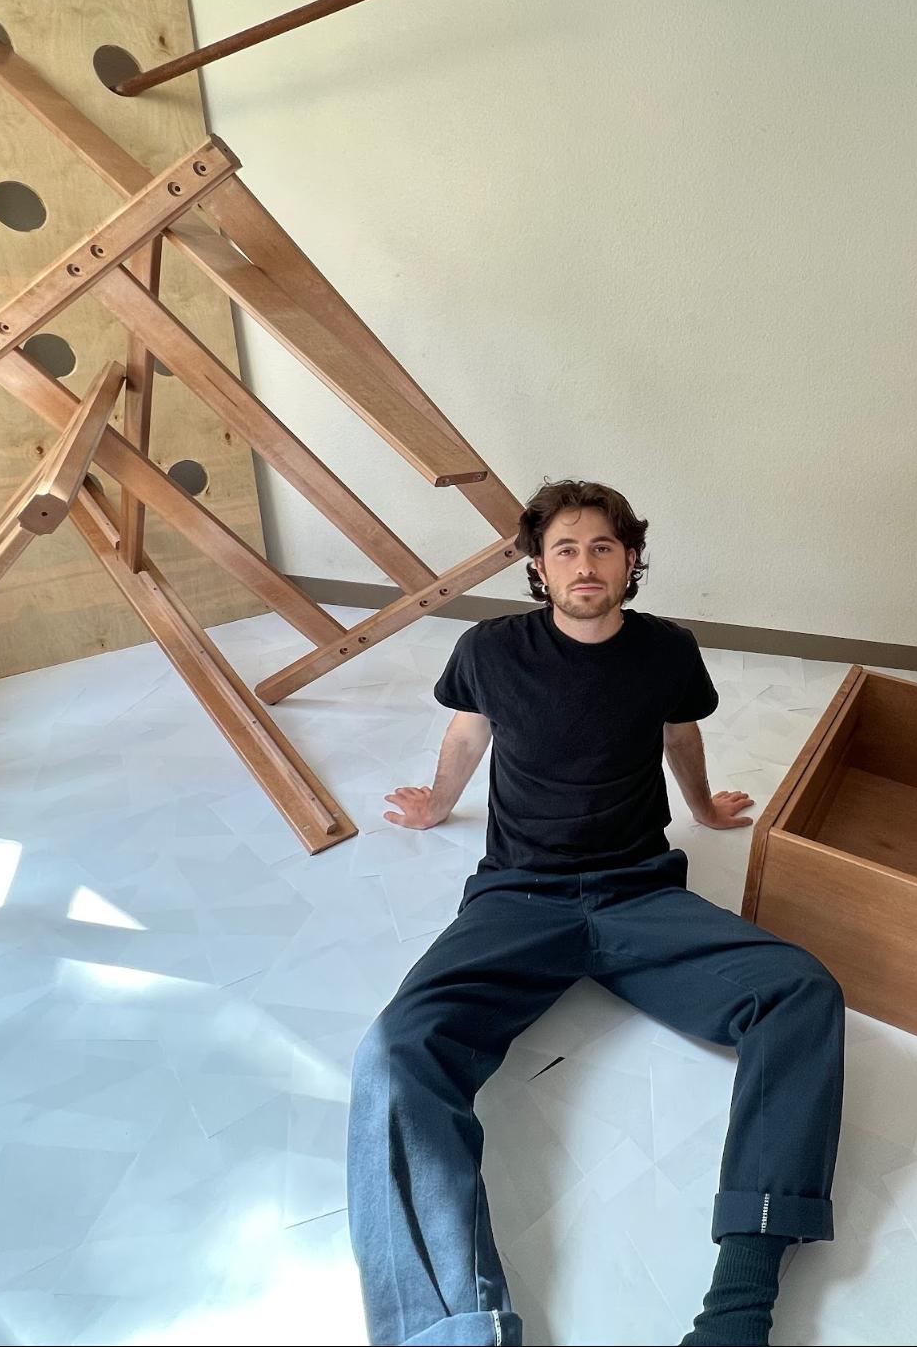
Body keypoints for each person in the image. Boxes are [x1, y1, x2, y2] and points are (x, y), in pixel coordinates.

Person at [347, 479, 846, 1347]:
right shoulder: (491, 649)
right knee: (394, 1053)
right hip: (516, 897)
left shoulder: (666, 650)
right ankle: (453, 1332)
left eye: (603, 548)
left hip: (638, 890)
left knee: (799, 991)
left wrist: (700, 809)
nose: (585, 564)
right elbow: (470, 730)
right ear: (538, 568)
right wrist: (435, 800)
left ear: (631, 561)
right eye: (566, 550)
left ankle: (737, 1311)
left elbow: (678, 732)